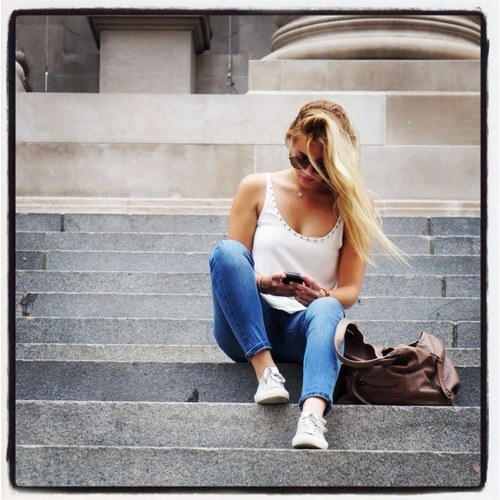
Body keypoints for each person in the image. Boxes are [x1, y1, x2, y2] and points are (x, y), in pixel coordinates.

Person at [209, 100, 405, 449]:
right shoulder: (256, 188)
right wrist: (262, 281)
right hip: (247, 326)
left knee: (329, 308)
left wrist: (321, 295)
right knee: (225, 251)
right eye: (298, 159)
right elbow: (232, 270)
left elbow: (349, 290)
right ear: (289, 142)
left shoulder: (352, 208)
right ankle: (266, 372)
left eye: (320, 165)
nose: (307, 172)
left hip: (306, 330)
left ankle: (312, 417)